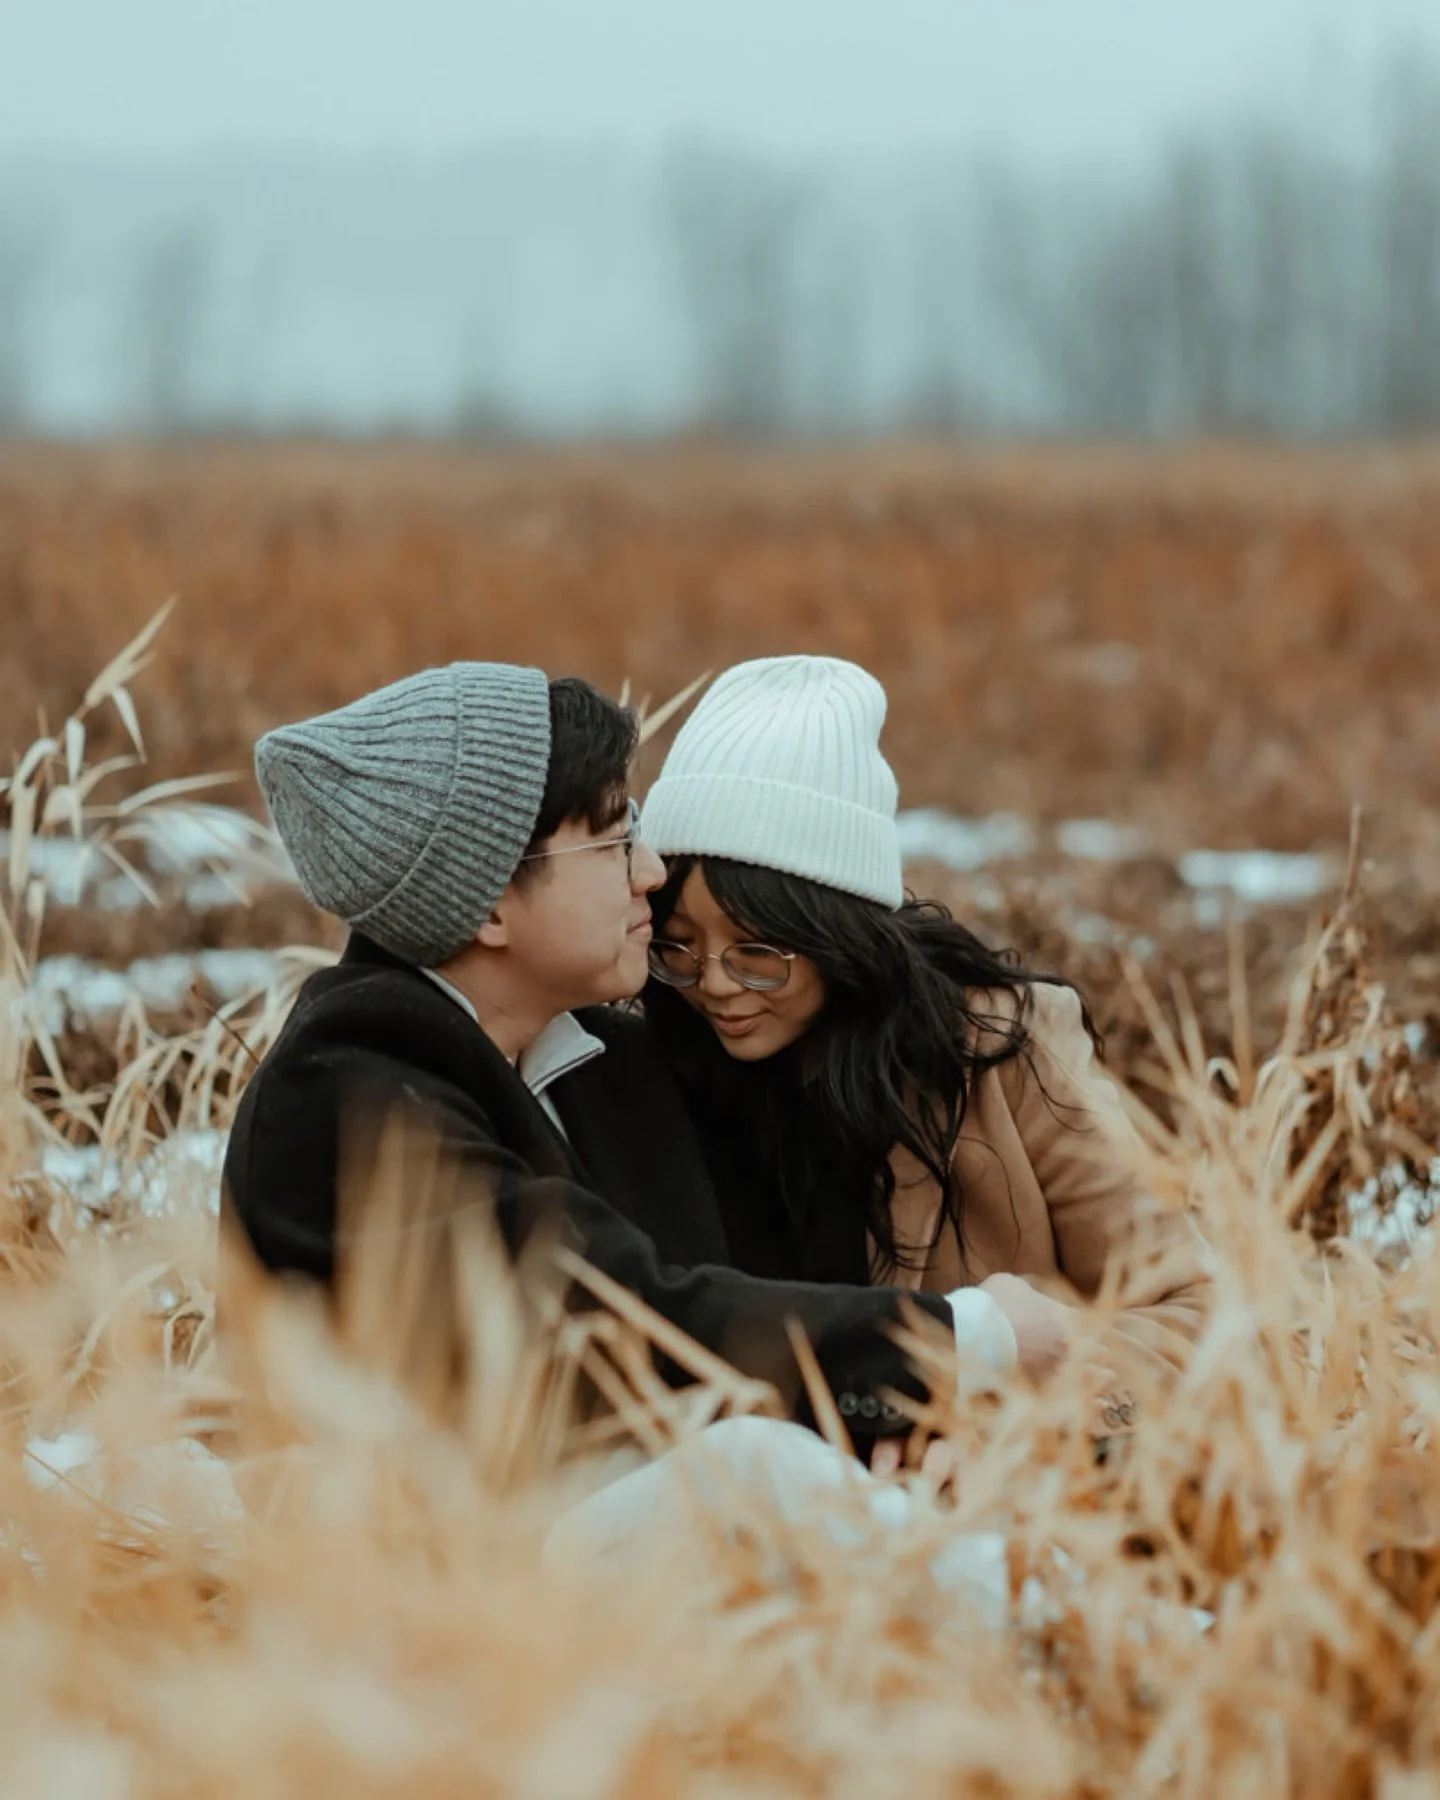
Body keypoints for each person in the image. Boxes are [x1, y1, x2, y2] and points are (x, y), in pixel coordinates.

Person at [220, 662, 1019, 1446]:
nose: (651, 870)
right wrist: (970, 1338)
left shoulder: (594, 1059)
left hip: (640, 1543)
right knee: (758, 1466)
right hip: (452, 1565)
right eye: (611, 842)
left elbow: (775, 1280)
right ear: (491, 901)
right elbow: (623, 1330)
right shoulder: (344, 1097)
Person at [636, 654, 1210, 1448]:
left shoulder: (995, 1047)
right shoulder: (639, 1059)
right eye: (680, 946)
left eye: (759, 953)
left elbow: (1197, 1317)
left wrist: (1014, 1426)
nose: (716, 986)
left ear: (840, 933)